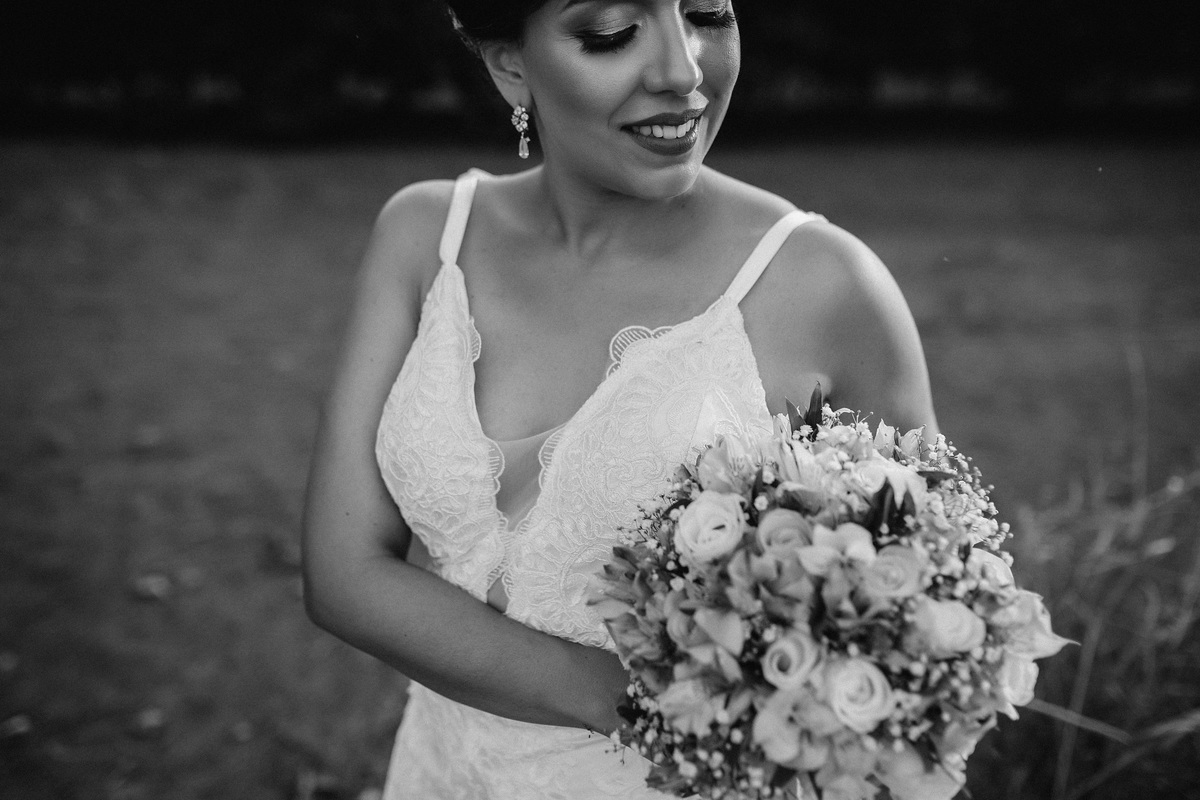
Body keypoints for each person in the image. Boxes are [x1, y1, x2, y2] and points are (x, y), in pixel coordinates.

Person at [301, 0, 938, 796]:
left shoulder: (827, 288)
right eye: (612, 33)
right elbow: (342, 573)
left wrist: (730, 728)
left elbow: (919, 614)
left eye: (708, 13)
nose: (684, 70)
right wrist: (645, 704)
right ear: (510, 66)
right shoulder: (425, 237)